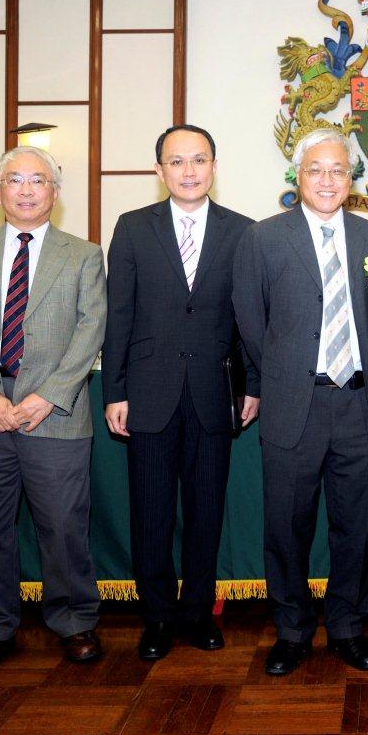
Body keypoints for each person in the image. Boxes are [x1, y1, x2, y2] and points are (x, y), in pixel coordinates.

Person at [0, 146, 106, 675]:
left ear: (55, 192)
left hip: (56, 411)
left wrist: (48, 395)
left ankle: (74, 622)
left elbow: (91, 328)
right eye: (15, 180)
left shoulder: (83, 255)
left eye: (38, 180)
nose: (27, 190)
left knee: (64, 526)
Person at [232, 128, 368, 676]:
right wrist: (280, 376)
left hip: (358, 406)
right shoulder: (262, 238)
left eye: (338, 170)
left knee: (356, 526)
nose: (327, 180)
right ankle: (292, 630)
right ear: (297, 176)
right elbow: (250, 322)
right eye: (316, 169)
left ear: (351, 179)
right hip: (293, 404)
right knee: (287, 526)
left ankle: (348, 627)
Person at [103, 124, 257, 661]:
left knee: (206, 512)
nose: (189, 171)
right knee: (151, 513)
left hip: (215, 393)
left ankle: (197, 614)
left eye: (199, 160)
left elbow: (249, 320)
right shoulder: (132, 227)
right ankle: (157, 618)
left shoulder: (243, 231)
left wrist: (252, 386)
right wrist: (114, 389)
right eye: (177, 161)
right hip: (148, 393)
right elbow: (119, 314)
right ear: (159, 170)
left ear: (214, 166)